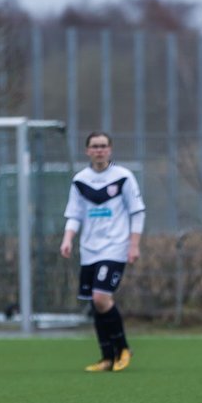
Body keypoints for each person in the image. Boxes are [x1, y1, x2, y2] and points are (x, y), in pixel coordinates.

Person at [60, 131, 145, 372]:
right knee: (95, 303)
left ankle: (124, 348)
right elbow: (74, 214)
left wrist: (134, 244)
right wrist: (68, 239)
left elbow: (137, 212)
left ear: (110, 149)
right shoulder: (80, 180)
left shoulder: (123, 177)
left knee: (100, 297)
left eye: (103, 146)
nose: (99, 150)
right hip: (89, 249)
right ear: (87, 151)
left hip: (115, 246)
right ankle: (107, 357)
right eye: (94, 146)